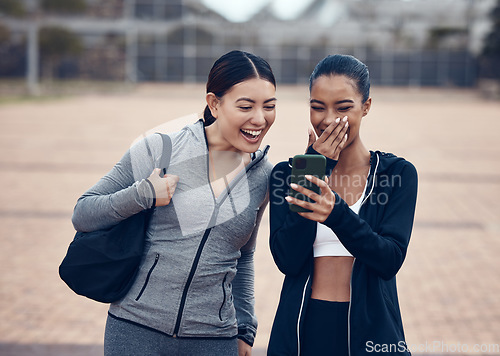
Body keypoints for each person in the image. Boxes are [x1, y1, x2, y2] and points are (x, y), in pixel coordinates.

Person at [71, 50, 277, 356]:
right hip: (136, 328)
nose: (259, 119)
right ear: (214, 104)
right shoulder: (159, 150)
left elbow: (243, 254)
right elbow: (83, 214)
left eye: (269, 107)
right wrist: (142, 195)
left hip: (214, 339)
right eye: (246, 106)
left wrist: (245, 327)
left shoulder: (264, 175)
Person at [267, 54, 418, 355]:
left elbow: (389, 260)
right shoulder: (287, 174)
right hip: (304, 329)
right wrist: (313, 169)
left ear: (366, 106)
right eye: (317, 107)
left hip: (372, 331)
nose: (329, 119)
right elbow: (288, 259)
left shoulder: (396, 173)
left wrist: (336, 214)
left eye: (344, 107)